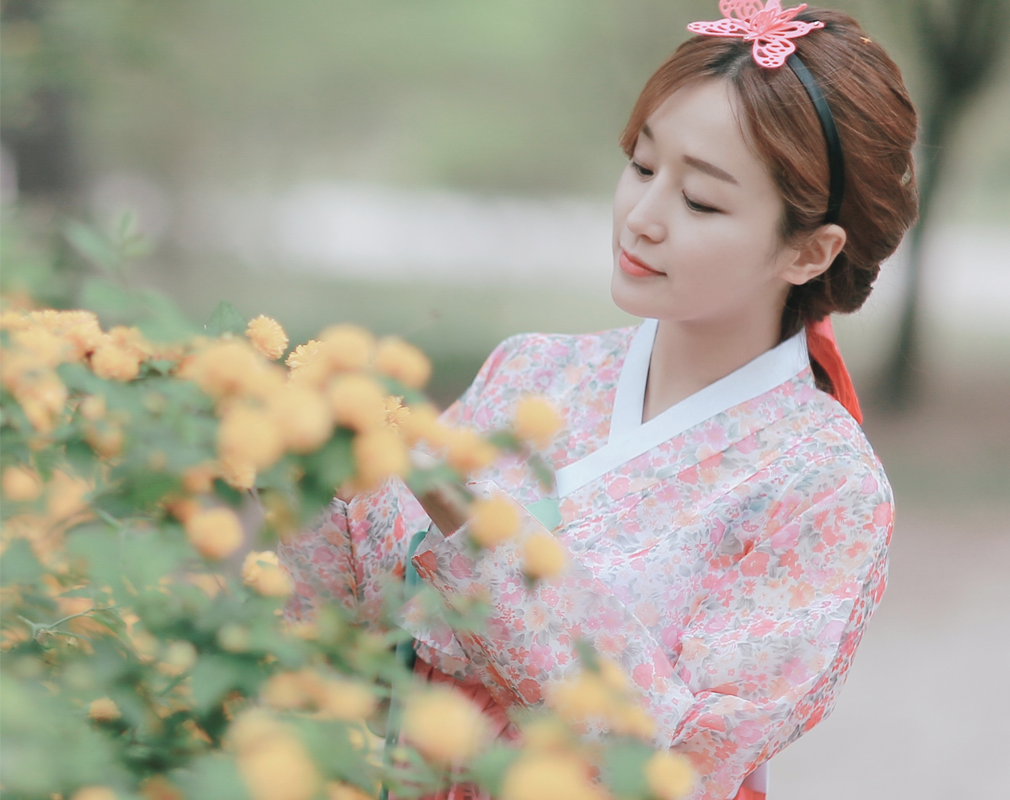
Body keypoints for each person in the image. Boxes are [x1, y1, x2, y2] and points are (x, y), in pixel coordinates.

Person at [278, 3, 918, 798]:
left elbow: (675, 761)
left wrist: (478, 533)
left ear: (807, 249)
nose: (643, 220)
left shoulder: (825, 488)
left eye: (702, 202)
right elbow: (373, 617)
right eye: (643, 168)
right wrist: (311, 466)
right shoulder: (531, 371)